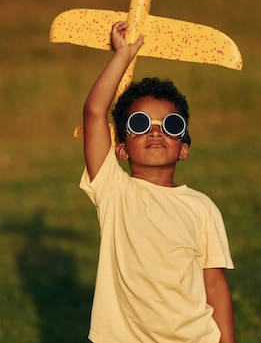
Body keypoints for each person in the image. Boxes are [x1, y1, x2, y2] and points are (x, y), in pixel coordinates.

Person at [79, 21, 236, 343]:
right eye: (139, 124)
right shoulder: (114, 191)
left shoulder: (202, 208)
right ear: (120, 149)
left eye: (171, 124)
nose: (155, 131)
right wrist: (122, 55)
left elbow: (215, 285)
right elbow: (95, 112)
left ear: (184, 149)